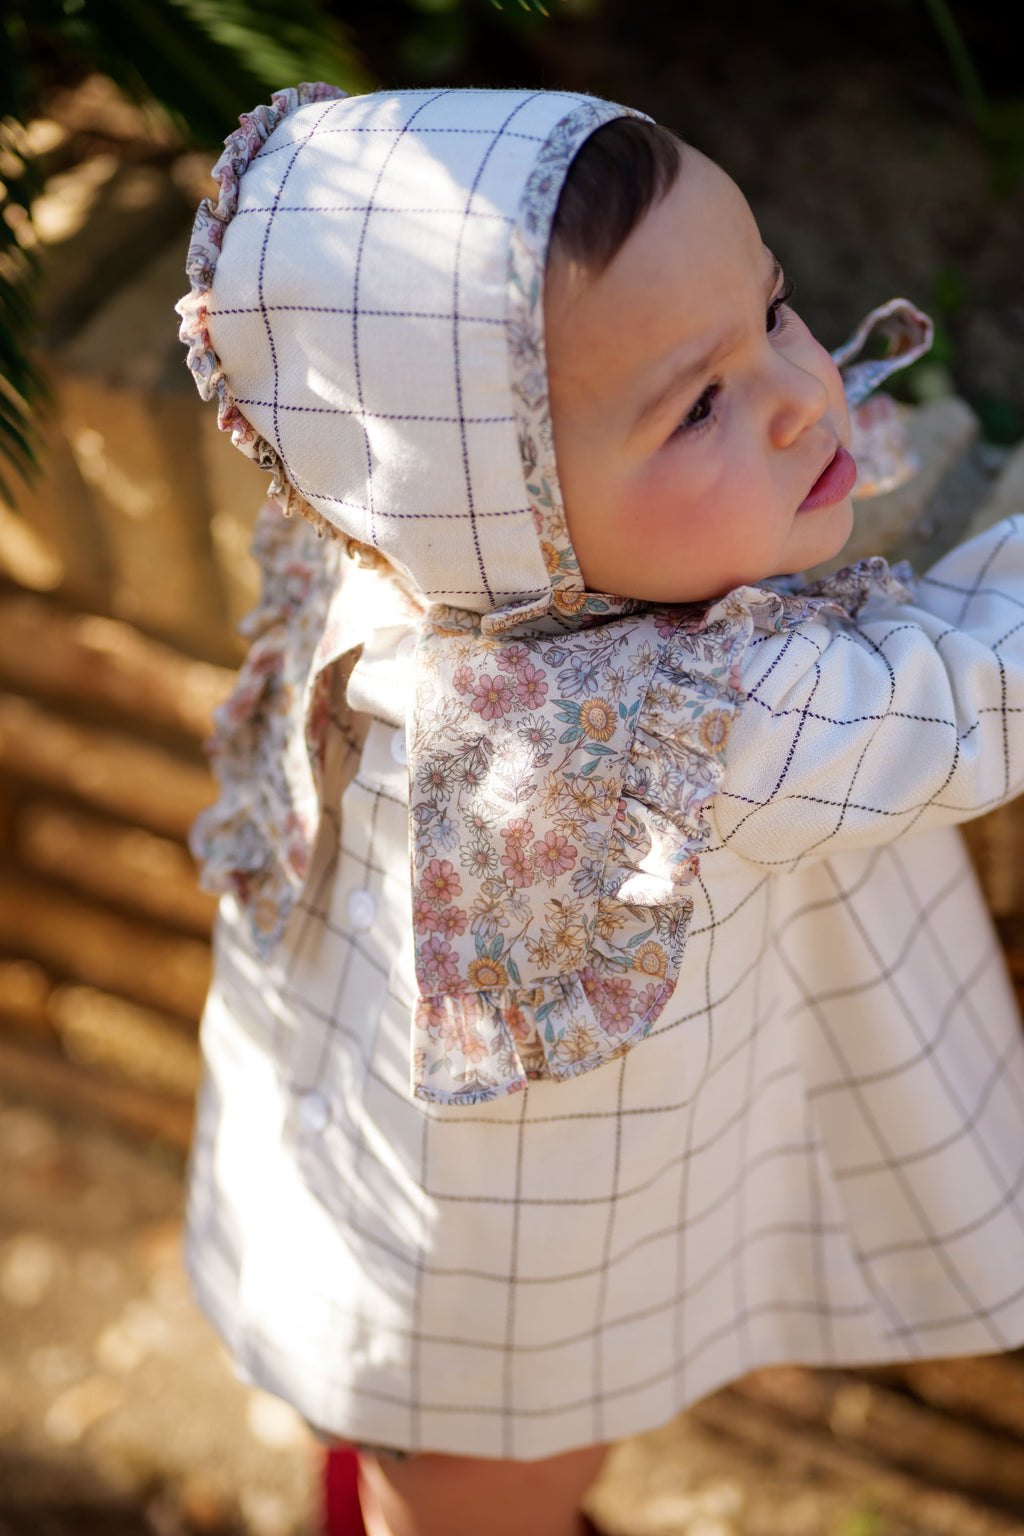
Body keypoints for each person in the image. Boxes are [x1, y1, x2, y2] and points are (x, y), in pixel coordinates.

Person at [176, 84, 1024, 1536]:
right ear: (510, 513)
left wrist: (739, 423)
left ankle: (373, 1488)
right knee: (502, 1482)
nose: (805, 393)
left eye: (773, 310)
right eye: (698, 405)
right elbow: (975, 693)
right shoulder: (694, 711)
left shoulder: (389, 544)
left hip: (402, 1200)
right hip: (525, 1276)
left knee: (437, 1449)